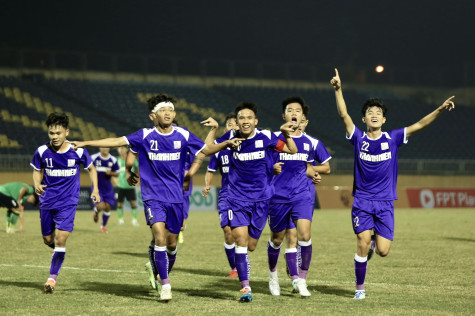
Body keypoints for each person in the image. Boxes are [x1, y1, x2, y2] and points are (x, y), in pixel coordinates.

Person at [71, 93, 242, 302]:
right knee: (159, 236)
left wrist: (226, 143)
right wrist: (85, 142)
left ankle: (159, 270)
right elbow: (117, 141)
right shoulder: (144, 135)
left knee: (171, 243)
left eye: (170, 110)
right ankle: (166, 285)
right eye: (163, 110)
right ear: (153, 116)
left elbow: (205, 150)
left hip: (176, 198)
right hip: (153, 197)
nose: (167, 113)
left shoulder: (183, 134)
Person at [330, 69, 455, 300]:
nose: (374, 115)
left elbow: (419, 125)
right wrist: (339, 90)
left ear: (384, 119)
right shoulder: (359, 138)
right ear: (364, 119)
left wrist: (438, 109)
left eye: (378, 112)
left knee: (384, 251)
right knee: (362, 242)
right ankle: (360, 289)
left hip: (386, 202)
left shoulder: (393, 138)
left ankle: (374, 247)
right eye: (370, 112)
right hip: (363, 201)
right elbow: (343, 115)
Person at [202, 101, 299, 303]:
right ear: (236, 122)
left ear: (255, 121)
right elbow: (208, 149)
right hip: (236, 199)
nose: (245, 121)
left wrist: (285, 133)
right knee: (240, 241)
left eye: (248, 118)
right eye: (241, 118)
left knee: (252, 246)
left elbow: (291, 150)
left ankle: (248, 270)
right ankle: (245, 287)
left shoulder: (266, 137)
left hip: (262, 199)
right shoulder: (231, 136)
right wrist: (222, 138)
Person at [267, 96, 331, 297]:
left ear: (303, 116)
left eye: (297, 111)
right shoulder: (272, 139)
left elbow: (311, 167)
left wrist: (313, 172)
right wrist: (271, 168)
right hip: (277, 196)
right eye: (289, 110)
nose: (293, 113)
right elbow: (261, 163)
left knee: (304, 235)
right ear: (283, 115)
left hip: (302, 195)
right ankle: (273, 276)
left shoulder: (311, 142)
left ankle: (301, 280)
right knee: (277, 239)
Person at [31, 112, 100, 294]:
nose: (55, 137)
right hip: (47, 201)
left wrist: (95, 190)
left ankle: (52, 279)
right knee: (48, 240)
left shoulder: (78, 151)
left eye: (58, 133)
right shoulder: (41, 151)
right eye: (51, 133)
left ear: (66, 133)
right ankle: (58, 253)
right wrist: (37, 183)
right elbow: (37, 170)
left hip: (68, 202)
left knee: (61, 239)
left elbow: (92, 170)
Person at [202, 113, 240, 278]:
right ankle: (234, 268)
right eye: (229, 125)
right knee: (227, 231)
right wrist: (207, 185)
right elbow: (210, 171)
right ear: (225, 128)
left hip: (245, 194)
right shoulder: (219, 150)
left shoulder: (246, 146)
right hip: (226, 194)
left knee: (244, 235)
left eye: (235, 125)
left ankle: (242, 259)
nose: (232, 127)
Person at [91, 147, 120, 233]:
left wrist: (110, 173)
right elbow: (88, 169)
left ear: (109, 149)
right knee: (101, 206)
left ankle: (103, 226)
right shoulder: (93, 157)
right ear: (100, 148)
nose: (105, 149)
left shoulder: (113, 159)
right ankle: (96, 211)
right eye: (103, 147)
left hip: (108, 188)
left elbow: (117, 173)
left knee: (107, 208)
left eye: (106, 147)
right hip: (96, 187)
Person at [116, 146, 140, 226]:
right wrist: (113, 179)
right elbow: (113, 171)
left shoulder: (132, 159)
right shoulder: (116, 160)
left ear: (126, 149)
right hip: (120, 186)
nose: (121, 150)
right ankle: (120, 220)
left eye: (122, 148)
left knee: (133, 203)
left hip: (130, 186)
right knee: (119, 204)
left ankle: (134, 220)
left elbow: (138, 169)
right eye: (119, 148)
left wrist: (138, 180)